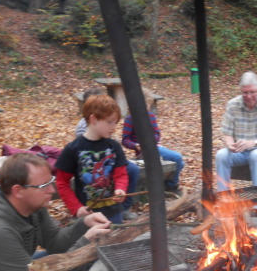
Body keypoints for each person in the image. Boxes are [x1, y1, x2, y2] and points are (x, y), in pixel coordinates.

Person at [215, 71, 257, 216]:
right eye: (245, 93)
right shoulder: (233, 104)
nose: (249, 96)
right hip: (239, 150)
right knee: (221, 155)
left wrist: (254, 142)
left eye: (252, 92)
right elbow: (227, 133)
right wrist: (230, 145)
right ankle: (224, 201)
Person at [56, 94, 129, 224]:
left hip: (113, 211)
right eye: (109, 122)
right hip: (88, 214)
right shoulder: (73, 149)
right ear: (93, 119)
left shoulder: (114, 146)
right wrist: (76, 208)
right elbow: (62, 182)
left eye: (115, 122)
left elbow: (121, 174)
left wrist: (120, 188)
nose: (114, 126)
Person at [76, 87, 140, 221]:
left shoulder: (106, 125)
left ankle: (124, 207)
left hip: (107, 158)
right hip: (93, 162)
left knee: (132, 169)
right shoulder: (83, 126)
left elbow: (109, 143)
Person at [121, 88, 184, 193]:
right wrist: (135, 145)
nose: (143, 109)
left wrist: (151, 141)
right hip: (142, 152)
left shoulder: (151, 116)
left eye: (146, 106)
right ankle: (170, 185)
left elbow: (157, 134)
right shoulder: (130, 119)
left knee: (180, 163)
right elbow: (125, 140)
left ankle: (168, 184)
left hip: (155, 147)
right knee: (177, 158)